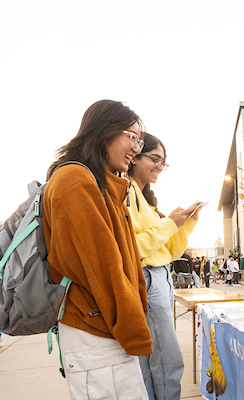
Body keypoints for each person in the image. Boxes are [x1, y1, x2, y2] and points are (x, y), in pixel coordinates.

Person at [43, 99, 152, 399]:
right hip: (96, 332)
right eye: (132, 136)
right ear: (105, 131)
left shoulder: (107, 185)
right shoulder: (74, 180)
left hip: (107, 329)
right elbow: (102, 268)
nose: (136, 148)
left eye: (139, 141)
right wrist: (135, 332)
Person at [126, 132, 200, 399]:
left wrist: (185, 224)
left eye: (163, 162)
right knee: (165, 360)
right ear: (135, 157)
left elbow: (167, 251)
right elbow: (132, 247)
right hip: (148, 278)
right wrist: (170, 223)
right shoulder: (125, 191)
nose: (159, 166)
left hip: (158, 277)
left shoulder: (142, 197)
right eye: (155, 159)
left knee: (154, 359)